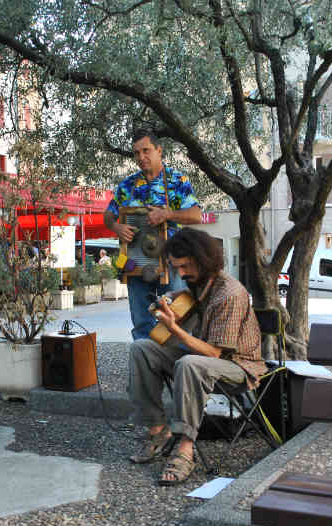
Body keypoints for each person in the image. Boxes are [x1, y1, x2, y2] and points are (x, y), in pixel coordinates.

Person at [128, 228, 266, 485]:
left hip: (238, 367)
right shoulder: (198, 284)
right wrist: (170, 299)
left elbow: (215, 353)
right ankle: (158, 431)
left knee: (189, 363)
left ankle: (185, 447)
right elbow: (187, 306)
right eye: (175, 267)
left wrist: (175, 329)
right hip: (199, 360)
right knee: (141, 348)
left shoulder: (230, 293)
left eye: (186, 266)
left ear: (203, 259)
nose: (180, 274)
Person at [104, 129, 203, 340]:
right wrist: (117, 227)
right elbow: (107, 216)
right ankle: (145, 367)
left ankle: (174, 366)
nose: (141, 157)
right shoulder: (127, 185)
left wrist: (169, 214)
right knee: (141, 322)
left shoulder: (177, 181)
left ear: (159, 150)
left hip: (173, 263)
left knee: (177, 316)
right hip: (136, 265)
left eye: (146, 150)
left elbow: (196, 215)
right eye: (137, 153)